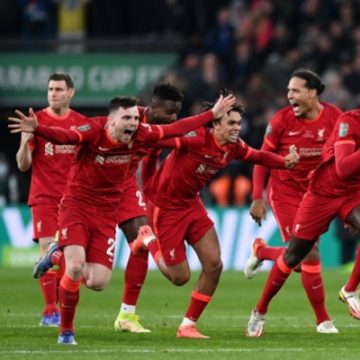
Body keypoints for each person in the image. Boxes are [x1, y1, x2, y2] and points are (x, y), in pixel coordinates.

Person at [9, 94, 235, 345]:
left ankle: (60, 257)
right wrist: (38, 129)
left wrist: (210, 114)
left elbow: (175, 129)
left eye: (135, 119)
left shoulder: (142, 133)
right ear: (111, 120)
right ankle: (66, 331)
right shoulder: (93, 129)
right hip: (78, 204)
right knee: (75, 268)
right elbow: (67, 137)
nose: (133, 123)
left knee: (98, 282)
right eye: (127, 118)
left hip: (110, 203)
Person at [131, 99, 299, 339]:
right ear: (214, 124)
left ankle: (188, 325)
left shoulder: (234, 147)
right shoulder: (194, 138)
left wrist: (285, 162)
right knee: (180, 277)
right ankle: (147, 239)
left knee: (214, 265)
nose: (236, 128)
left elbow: (258, 156)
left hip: (192, 205)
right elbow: (160, 138)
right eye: (230, 122)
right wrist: (142, 133)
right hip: (165, 208)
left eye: (239, 123)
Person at [245, 83, 360, 337]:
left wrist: (351, 213)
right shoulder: (348, 124)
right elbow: (343, 168)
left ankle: (349, 290)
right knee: (295, 257)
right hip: (323, 193)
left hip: (355, 193)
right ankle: (260, 310)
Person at [243, 69, 343, 334]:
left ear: (312, 93)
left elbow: (344, 160)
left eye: (295, 90)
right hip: (285, 192)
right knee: (306, 254)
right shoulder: (281, 121)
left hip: (318, 195)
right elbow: (262, 158)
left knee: (301, 259)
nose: (290, 96)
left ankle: (262, 251)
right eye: (288, 91)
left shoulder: (336, 118)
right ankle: (322, 320)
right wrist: (257, 197)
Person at [113, 83, 184, 333]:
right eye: (169, 112)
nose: (174, 118)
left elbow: (152, 158)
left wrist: (149, 190)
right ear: (153, 108)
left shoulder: (160, 131)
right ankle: (58, 253)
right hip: (97, 186)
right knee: (93, 277)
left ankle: (127, 315)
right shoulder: (129, 119)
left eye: (177, 113)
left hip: (126, 186)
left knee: (141, 241)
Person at [16, 73, 86, 327]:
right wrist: (24, 142)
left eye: (58, 89)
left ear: (71, 93)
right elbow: (23, 165)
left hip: (74, 201)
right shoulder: (37, 122)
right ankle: (49, 310)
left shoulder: (81, 124)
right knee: (47, 248)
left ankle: (57, 302)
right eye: (50, 89)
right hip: (44, 196)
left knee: (71, 260)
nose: (53, 93)